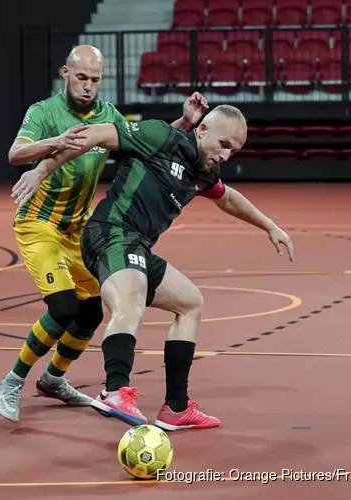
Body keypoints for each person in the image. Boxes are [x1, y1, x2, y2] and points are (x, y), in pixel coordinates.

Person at [18, 104, 294, 431]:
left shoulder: (204, 171)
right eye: (224, 145)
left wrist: (269, 226)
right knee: (130, 300)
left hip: (137, 246)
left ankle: (176, 408)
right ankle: (115, 390)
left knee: (190, 303)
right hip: (110, 233)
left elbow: (228, 198)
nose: (226, 156)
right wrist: (41, 169)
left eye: (233, 151)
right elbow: (96, 135)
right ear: (202, 130)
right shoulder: (159, 136)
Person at [0, 44, 209, 423]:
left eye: (95, 79)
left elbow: (143, 141)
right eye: (82, 77)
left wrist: (184, 124)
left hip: (79, 227)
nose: (89, 86)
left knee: (91, 312)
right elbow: (15, 153)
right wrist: (56, 143)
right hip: (39, 225)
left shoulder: (107, 114)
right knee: (62, 308)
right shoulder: (43, 113)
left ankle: (54, 379)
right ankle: (12, 380)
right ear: (65, 73)